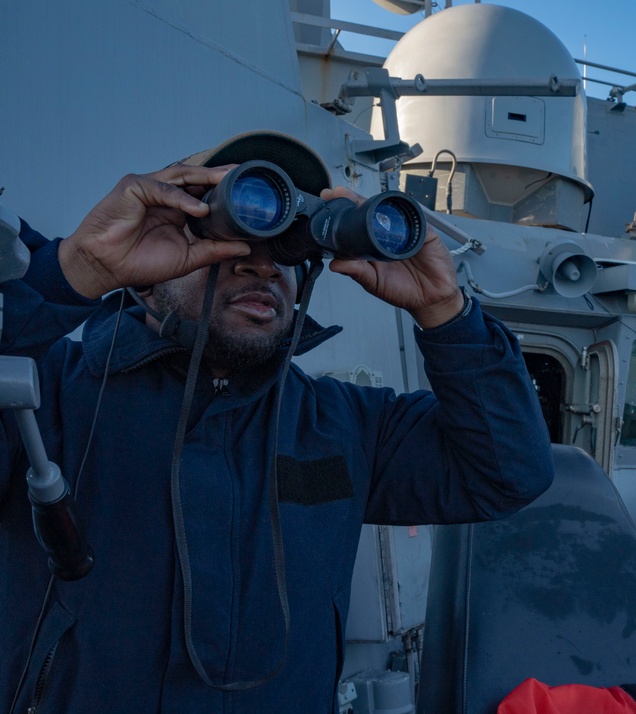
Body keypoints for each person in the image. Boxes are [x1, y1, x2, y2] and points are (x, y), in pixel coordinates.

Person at [0, 132, 555, 712]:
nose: (262, 263)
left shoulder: (346, 425)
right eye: (228, 232)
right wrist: (77, 270)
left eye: (286, 246)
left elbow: (508, 471)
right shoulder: (37, 392)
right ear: (147, 265)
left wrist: (448, 313)